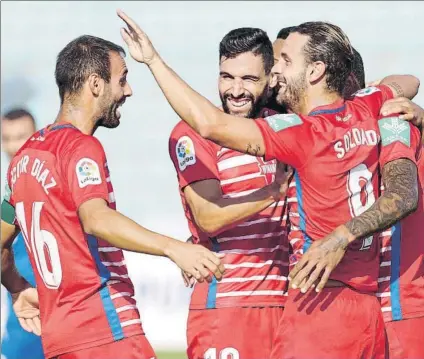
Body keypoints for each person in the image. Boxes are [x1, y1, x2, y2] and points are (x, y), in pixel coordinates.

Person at [116, 12, 420, 358]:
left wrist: (153, 61)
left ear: (316, 71)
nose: (278, 71)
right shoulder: (368, 108)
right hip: (363, 312)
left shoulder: (301, 132)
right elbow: (408, 81)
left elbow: (209, 123)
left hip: (318, 305)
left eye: (286, 61)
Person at [0, 35, 226, 359]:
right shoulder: (81, 148)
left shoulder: (23, 159)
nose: (127, 90)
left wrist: (17, 288)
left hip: (58, 340)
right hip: (106, 330)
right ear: (95, 84)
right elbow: (96, 218)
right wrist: (173, 248)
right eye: (122, 79)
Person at [169, 28, 292, 359]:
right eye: (227, 77)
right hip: (228, 307)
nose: (235, 90)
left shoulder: (284, 126)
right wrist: (273, 192)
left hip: (288, 305)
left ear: (270, 79)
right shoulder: (193, 134)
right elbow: (208, 216)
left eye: (249, 79)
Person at [1, 109, 44, 359]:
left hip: (66, 334)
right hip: (20, 339)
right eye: (6, 138)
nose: (13, 146)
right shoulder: (6, 201)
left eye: (21, 136)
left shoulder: (56, 190)